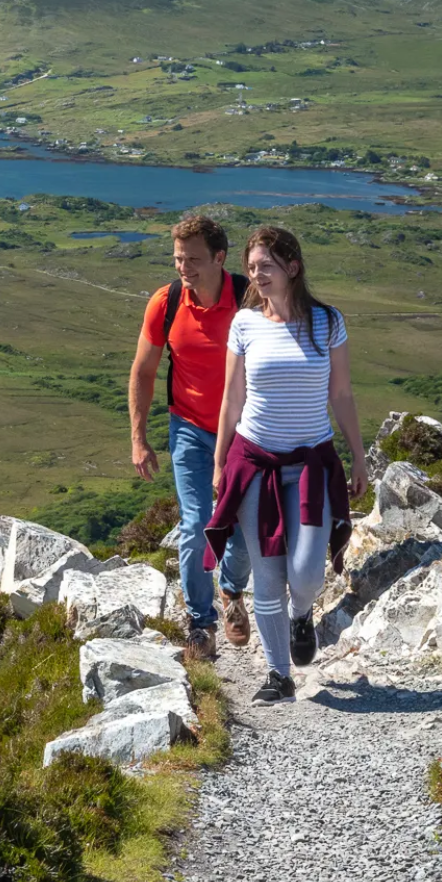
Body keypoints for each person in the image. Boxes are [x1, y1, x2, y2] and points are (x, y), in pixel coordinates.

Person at [206, 225, 368, 704]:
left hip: (311, 464)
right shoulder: (244, 324)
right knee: (267, 575)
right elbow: (232, 398)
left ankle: (303, 614)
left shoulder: (328, 322)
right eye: (252, 267)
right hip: (254, 463)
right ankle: (279, 675)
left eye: (266, 266)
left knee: (305, 573)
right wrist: (220, 463)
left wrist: (358, 455)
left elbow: (341, 393)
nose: (257, 274)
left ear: (292, 268)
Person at [129, 215, 253, 661]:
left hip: (246, 431)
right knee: (197, 524)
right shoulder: (167, 302)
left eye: (194, 259)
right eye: (179, 258)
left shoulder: (248, 300)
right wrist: (138, 438)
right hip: (189, 428)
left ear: (220, 257)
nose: (184, 267)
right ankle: (201, 624)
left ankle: (232, 590)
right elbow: (143, 371)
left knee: (243, 526)